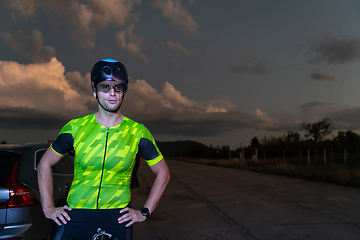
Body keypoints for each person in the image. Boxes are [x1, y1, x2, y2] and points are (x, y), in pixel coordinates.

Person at [37, 59, 170, 240]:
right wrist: (48, 208)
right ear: (94, 90)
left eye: (118, 87)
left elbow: (163, 173)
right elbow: (45, 163)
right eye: (105, 87)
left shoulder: (138, 132)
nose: (112, 93)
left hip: (116, 218)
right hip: (75, 214)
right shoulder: (75, 128)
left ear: (125, 90)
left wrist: (144, 212)